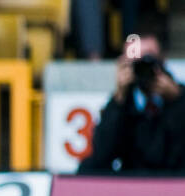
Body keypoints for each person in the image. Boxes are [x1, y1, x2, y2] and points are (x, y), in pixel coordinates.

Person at [78, 33, 185, 174]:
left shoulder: (178, 96)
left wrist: (177, 101)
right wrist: (119, 98)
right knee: (86, 168)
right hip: (133, 182)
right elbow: (101, 156)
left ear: (162, 60)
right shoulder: (123, 103)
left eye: (147, 59)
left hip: (175, 180)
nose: (142, 67)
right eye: (135, 61)